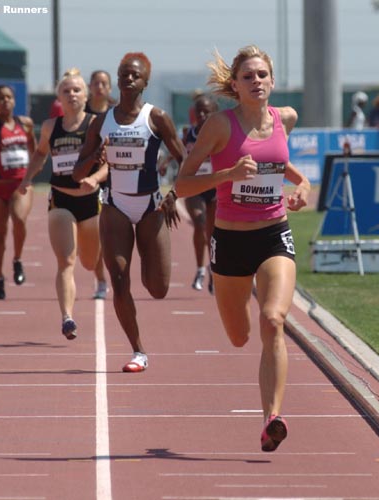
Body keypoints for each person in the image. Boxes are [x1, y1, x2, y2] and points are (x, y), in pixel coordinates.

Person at [174, 45, 311, 452]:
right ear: (235, 85)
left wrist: (301, 186)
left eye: (262, 75)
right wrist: (228, 174)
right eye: (248, 76)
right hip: (230, 241)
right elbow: (182, 185)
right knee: (239, 336)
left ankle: (272, 418)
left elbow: (280, 166)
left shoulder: (285, 118)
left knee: (274, 320)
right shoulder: (218, 125)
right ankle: (267, 402)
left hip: (273, 234)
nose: (256, 82)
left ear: (272, 80)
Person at [72, 51, 184, 373]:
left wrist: (174, 194)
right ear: (118, 79)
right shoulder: (101, 121)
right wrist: (96, 153)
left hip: (150, 207)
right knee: (119, 280)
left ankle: (148, 255)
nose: (129, 78)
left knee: (158, 289)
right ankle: (138, 351)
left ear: (145, 82)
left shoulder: (157, 118)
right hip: (115, 206)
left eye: (135, 75)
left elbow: (184, 160)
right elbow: (79, 174)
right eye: (124, 73)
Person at [18, 68, 108, 340]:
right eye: (66, 90)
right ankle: (67, 317)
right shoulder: (49, 127)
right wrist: (27, 179)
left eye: (77, 90)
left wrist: (94, 178)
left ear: (86, 94)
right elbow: (40, 155)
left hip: (90, 202)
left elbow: (109, 165)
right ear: (59, 96)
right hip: (61, 200)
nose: (72, 95)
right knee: (65, 261)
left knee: (90, 262)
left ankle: (97, 276)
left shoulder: (97, 125)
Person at [0, 85, 36, 300]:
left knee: (19, 220)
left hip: (20, 184)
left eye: (9, 97)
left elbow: (36, 150)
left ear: (14, 101)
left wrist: (31, 173)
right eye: (0, 98)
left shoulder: (26, 124)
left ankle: (18, 260)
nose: (5, 101)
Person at [85, 69, 117, 299]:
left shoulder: (117, 113)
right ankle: (101, 280)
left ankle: (114, 276)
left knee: (112, 235)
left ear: (110, 88)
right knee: (95, 235)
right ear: (90, 86)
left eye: (104, 83)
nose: (99, 87)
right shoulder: (82, 113)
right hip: (88, 178)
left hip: (115, 176)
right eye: (96, 83)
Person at [184, 94, 218, 293]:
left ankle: (213, 270)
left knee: (213, 234)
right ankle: (199, 269)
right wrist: (164, 163)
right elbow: (178, 151)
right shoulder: (190, 133)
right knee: (199, 221)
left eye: (207, 111)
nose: (203, 115)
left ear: (215, 113)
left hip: (215, 186)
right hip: (195, 186)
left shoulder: (220, 133)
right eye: (199, 112)